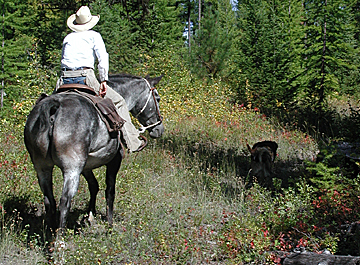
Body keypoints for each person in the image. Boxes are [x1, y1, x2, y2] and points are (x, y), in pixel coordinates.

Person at [56, 6, 146, 152]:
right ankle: (133, 142)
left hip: (64, 79)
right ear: (89, 22)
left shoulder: (68, 38)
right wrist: (103, 80)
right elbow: (103, 58)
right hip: (85, 77)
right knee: (119, 102)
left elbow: (63, 60)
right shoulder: (94, 36)